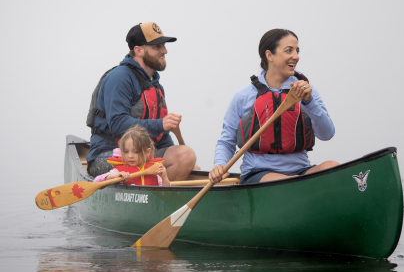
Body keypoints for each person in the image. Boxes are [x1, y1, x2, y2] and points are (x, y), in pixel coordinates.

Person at [209, 28, 339, 185]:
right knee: (290, 183)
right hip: (259, 173)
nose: (296, 56)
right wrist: (220, 166)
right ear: (269, 55)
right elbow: (226, 141)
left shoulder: (306, 91)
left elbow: (327, 134)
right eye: (288, 50)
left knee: (332, 167)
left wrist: (309, 102)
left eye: (297, 51)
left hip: (301, 171)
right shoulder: (243, 96)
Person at [87, 21, 197, 181]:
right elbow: (117, 124)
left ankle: (159, 200)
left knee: (185, 156)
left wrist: (185, 164)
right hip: (109, 155)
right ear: (138, 50)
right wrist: (160, 124)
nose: (164, 51)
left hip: (144, 155)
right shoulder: (120, 78)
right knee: (184, 155)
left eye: (163, 46)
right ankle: (155, 201)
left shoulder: (155, 85)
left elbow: (161, 136)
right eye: (157, 47)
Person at [93, 125, 170, 186]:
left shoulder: (154, 170)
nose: (130, 156)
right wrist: (115, 177)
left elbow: (165, 194)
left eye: (136, 152)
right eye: (126, 151)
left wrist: (164, 178)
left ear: (147, 152)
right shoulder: (118, 171)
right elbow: (96, 181)